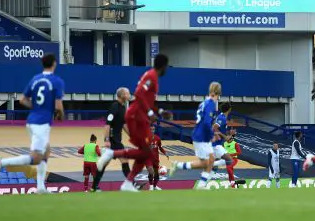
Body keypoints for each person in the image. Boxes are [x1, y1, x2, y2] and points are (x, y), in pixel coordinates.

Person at [97, 54, 170, 192]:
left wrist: (159, 111)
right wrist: (149, 113)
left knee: (145, 152)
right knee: (145, 151)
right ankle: (112, 156)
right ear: (163, 65)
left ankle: (127, 182)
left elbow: (146, 100)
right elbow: (139, 94)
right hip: (137, 116)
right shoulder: (152, 76)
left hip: (139, 115)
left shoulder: (151, 75)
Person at [0, 54, 64, 194]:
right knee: (36, 158)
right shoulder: (57, 81)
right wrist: (60, 115)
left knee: (46, 151)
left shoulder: (35, 79)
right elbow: (58, 105)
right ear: (54, 64)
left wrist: (37, 107)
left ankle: (40, 187)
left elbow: (22, 100)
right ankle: (2, 163)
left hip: (32, 120)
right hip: (41, 124)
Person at [169, 82, 222, 189]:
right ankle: (202, 184)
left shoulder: (203, 103)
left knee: (206, 162)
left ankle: (179, 165)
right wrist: (212, 135)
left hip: (198, 134)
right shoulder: (210, 104)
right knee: (210, 160)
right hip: (202, 136)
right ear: (218, 93)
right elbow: (207, 122)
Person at [90, 87, 131, 192]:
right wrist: (107, 139)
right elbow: (107, 124)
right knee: (124, 160)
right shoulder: (115, 106)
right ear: (121, 95)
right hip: (113, 140)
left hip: (117, 140)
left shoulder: (123, 108)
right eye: (127, 93)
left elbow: (124, 125)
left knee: (104, 164)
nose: (129, 95)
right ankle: (132, 183)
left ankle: (94, 186)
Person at [211, 102, 234, 184]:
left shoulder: (222, 116)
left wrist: (229, 134)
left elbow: (219, 128)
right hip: (215, 145)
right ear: (229, 109)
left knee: (216, 164)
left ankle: (206, 181)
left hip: (216, 144)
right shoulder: (222, 118)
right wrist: (224, 136)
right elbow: (214, 128)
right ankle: (210, 164)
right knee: (230, 160)